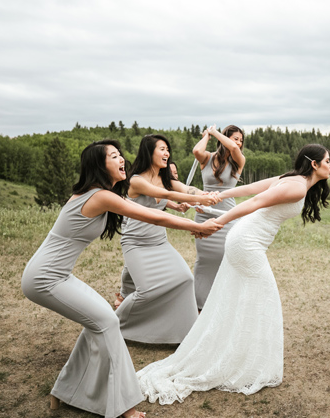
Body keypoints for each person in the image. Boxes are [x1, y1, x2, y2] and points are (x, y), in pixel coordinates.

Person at [21, 140, 220, 418]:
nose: (121, 159)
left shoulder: (102, 195)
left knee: (104, 321)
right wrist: (197, 226)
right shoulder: (98, 196)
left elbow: (154, 210)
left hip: (58, 275)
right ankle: (125, 408)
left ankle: (63, 392)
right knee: (106, 323)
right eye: (113, 156)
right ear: (99, 166)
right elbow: (153, 218)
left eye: (120, 155)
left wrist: (179, 207)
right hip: (44, 278)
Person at [137, 144, 330, 404]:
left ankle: (243, 355)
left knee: (248, 299)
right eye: (328, 161)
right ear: (315, 164)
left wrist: (219, 195)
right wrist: (218, 222)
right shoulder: (296, 185)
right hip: (247, 242)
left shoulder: (294, 181)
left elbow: (250, 188)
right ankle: (247, 362)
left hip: (247, 240)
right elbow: (254, 200)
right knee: (266, 298)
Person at [115, 134, 221, 344]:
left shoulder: (166, 180)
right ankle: (113, 325)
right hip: (136, 242)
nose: (167, 153)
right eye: (162, 149)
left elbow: (185, 189)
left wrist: (208, 194)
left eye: (167, 149)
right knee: (146, 291)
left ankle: (184, 334)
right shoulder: (136, 180)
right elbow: (172, 196)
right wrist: (199, 198)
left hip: (159, 242)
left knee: (185, 279)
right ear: (149, 152)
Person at [191, 124, 246, 310]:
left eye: (240, 139)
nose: (238, 142)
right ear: (225, 138)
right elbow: (197, 150)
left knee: (226, 257)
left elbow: (233, 148)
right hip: (204, 214)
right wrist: (207, 134)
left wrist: (214, 132)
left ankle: (224, 302)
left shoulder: (238, 160)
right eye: (235, 137)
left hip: (228, 215)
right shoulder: (207, 158)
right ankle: (199, 303)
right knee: (204, 259)